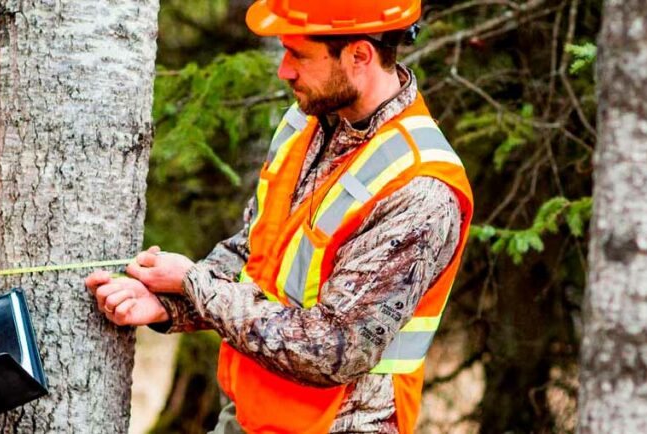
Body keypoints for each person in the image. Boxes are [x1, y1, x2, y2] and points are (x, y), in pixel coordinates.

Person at [86, 1, 474, 433]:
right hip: (252, 415)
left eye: (299, 55)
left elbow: (334, 349)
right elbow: (256, 252)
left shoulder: (419, 187)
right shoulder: (305, 122)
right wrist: (167, 305)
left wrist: (195, 285)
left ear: (360, 56)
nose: (284, 70)